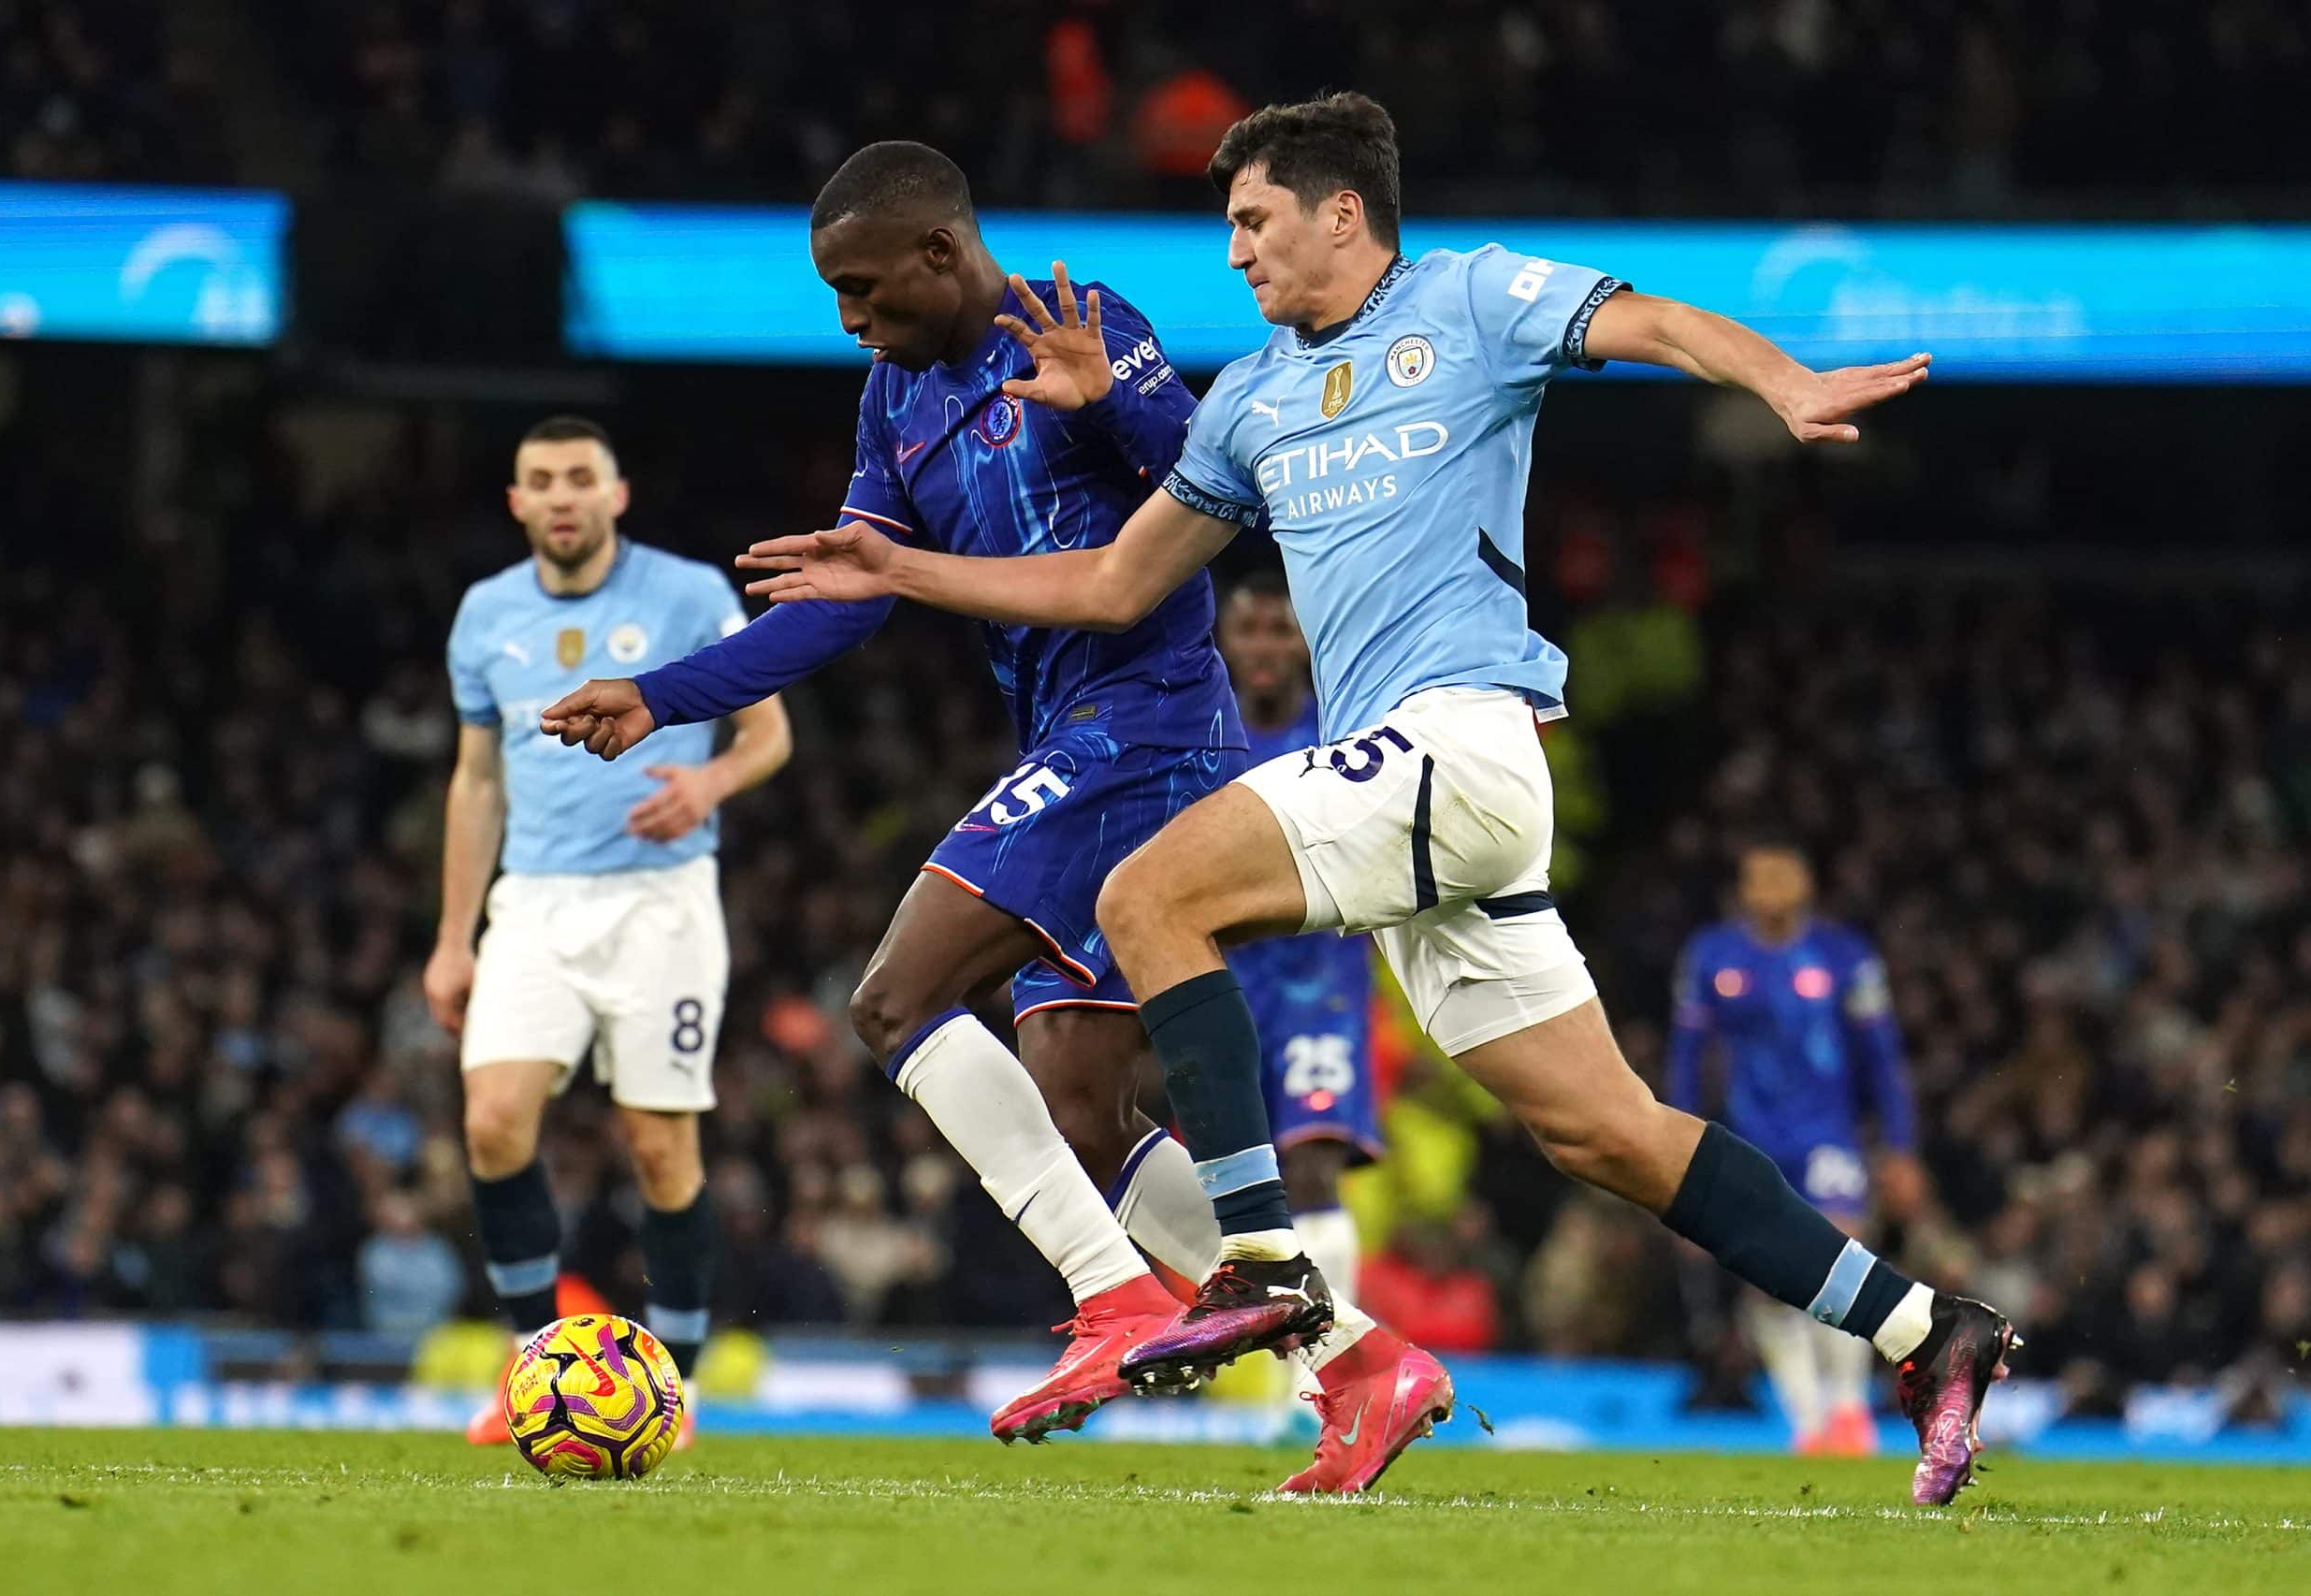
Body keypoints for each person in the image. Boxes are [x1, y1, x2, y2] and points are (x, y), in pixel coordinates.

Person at [727, 93, 2016, 1505]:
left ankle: (1266, 1262)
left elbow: (1651, 322)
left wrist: (1783, 380)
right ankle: (1927, 1326)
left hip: (1464, 738)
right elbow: (1106, 583)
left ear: (1342, 212)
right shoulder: (1255, 399)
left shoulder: (1468, 299)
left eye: (1253, 221)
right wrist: (903, 570)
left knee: (1148, 891)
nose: (1234, 256)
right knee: (1605, 1130)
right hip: (1406, 796)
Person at [537, 144, 1421, 1480]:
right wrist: (661, 695)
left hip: (1151, 723)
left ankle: (1114, 1295)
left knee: (896, 997)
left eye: (865, 288)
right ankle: (1360, 1361)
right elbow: (851, 592)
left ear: (942, 253)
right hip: (1083, 740)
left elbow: (1226, 496)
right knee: (1084, 1103)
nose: (851, 318)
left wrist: (1111, 408)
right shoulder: (895, 397)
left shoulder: (1084, 324)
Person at [425, 416, 792, 1445]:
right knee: (494, 1120)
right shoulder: (484, 614)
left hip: (659, 899)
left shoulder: (683, 594)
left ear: (615, 493)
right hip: (533, 901)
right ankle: (535, 1364)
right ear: (517, 502)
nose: (562, 496)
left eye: (580, 477)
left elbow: (768, 732)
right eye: (540, 480)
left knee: (658, 1147)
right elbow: (476, 778)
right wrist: (453, 936)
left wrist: (709, 781)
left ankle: (670, 1388)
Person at [1668, 839, 1924, 1456]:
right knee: (1763, 1278)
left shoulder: (1844, 958)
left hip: (1826, 1135)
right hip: (1747, 1136)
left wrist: (1900, 1146)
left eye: (1785, 879)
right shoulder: (1711, 957)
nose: (1774, 894)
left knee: (1838, 1256)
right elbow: (1686, 1057)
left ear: (1806, 886)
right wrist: (1675, 1141)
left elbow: (1881, 1059)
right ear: (1744, 888)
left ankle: (1848, 1412)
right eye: (1762, 879)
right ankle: (1808, 1422)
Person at [1216, 572, 1384, 1414]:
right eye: (1250, 631)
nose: (1266, 649)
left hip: (1320, 984)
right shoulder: (1199, 737)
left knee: (1311, 1167)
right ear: (1226, 640)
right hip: (1222, 980)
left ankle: (1326, 1381)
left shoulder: (1351, 733)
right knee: (1235, 1174)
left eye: (1282, 632)